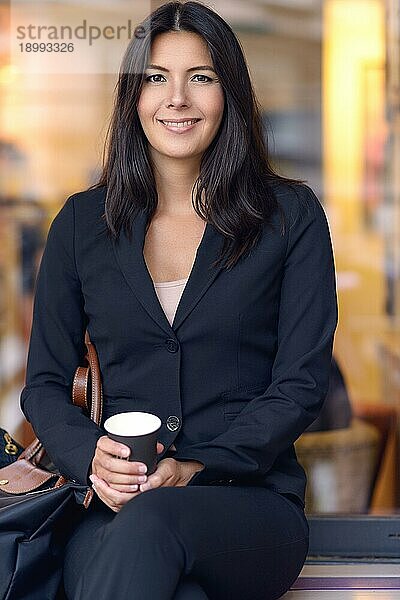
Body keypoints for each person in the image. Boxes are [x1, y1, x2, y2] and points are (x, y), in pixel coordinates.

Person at [19, 2, 338, 598]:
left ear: (230, 93)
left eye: (202, 77)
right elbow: (43, 382)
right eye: (157, 78)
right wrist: (92, 458)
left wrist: (199, 465)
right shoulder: (81, 223)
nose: (177, 99)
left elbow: (301, 382)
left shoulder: (290, 216)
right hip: (111, 510)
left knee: (153, 531)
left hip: (248, 505)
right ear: (134, 96)